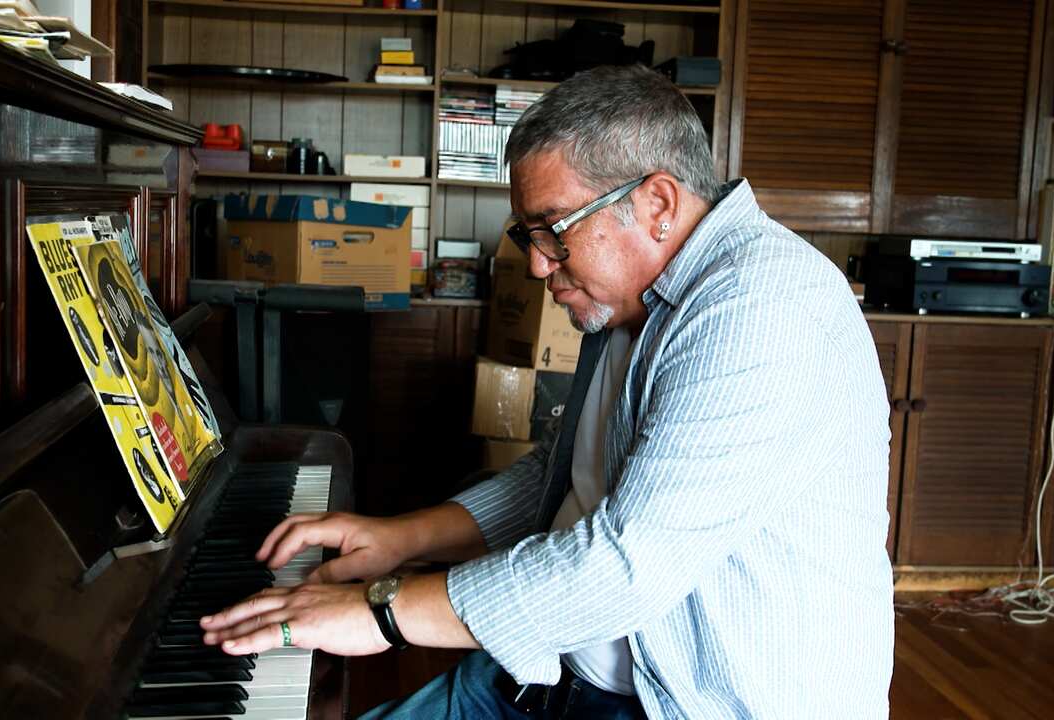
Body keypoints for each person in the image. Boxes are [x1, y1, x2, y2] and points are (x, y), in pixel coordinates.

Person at [199, 64, 894, 719]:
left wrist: (380, 612)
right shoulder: (625, 298)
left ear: (656, 203)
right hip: (554, 668)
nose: (536, 265)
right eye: (529, 234)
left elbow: (625, 567)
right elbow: (560, 477)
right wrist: (396, 539)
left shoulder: (761, 306)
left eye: (553, 230)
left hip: (688, 701)